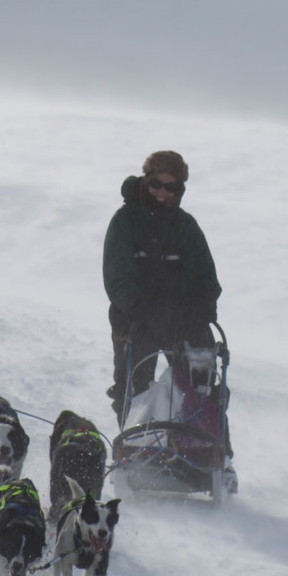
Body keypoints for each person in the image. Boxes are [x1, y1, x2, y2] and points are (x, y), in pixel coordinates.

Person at [103, 150, 236, 488]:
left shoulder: (186, 228)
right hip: (136, 320)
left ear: (180, 190)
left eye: (171, 187)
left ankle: (216, 456)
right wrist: (138, 309)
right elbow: (118, 276)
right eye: (156, 184)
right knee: (134, 385)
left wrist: (202, 308)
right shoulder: (124, 222)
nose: (162, 193)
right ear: (145, 182)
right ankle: (136, 452)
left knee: (204, 380)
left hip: (181, 321)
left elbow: (207, 278)